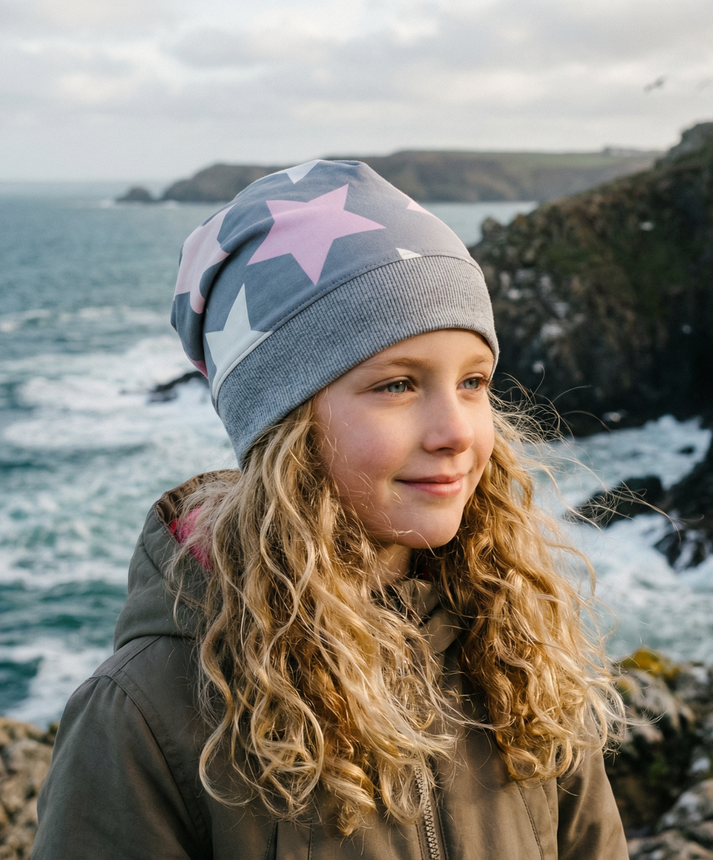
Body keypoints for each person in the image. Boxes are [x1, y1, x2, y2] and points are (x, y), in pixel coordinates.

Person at [33, 160, 628, 859]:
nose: (457, 431)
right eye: (398, 385)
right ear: (284, 425)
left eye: (473, 382)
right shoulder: (146, 712)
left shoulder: (516, 650)